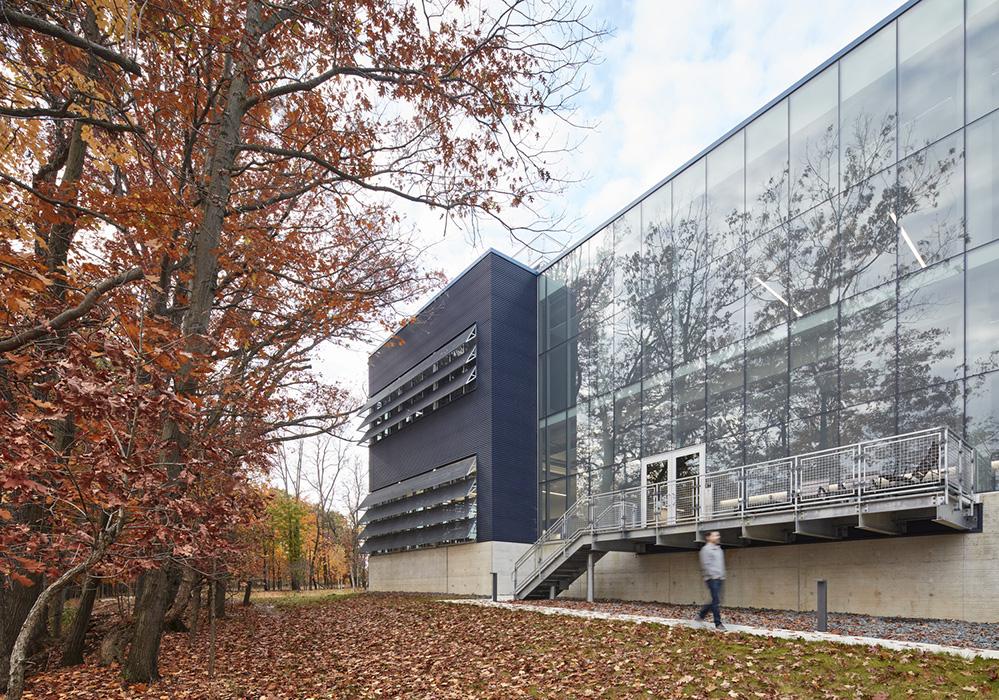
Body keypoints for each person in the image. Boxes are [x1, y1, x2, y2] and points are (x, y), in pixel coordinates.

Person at [695, 531, 726, 631]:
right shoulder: (706, 550)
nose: (718, 536)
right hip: (712, 578)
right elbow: (706, 565)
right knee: (716, 601)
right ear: (708, 537)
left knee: (716, 600)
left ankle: (701, 615)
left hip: (720, 578)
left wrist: (722, 575)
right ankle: (718, 623)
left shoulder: (718, 549)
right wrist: (713, 576)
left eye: (718, 535)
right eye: (715, 535)